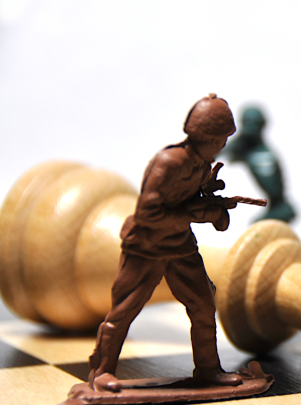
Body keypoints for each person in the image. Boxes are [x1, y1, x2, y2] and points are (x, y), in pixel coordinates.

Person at [88, 94, 245, 392]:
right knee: (125, 309)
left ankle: (209, 370)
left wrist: (211, 203)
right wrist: (196, 214)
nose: (223, 146)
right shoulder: (170, 162)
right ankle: (101, 373)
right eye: (221, 140)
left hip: (180, 245)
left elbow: (187, 200)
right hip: (146, 247)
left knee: (203, 305)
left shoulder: (202, 165)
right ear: (208, 137)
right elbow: (147, 213)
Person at [222, 106, 296, 223]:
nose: (251, 129)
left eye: (255, 124)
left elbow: (274, 191)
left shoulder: (264, 157)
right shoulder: (244, 145)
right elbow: (225, 153)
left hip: (278, 207)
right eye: (248, 124)